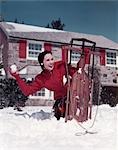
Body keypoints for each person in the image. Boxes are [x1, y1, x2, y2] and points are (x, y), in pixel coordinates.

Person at [9, 51, 78, 120]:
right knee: (61, 117)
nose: (51, 62)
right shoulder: (41, 79)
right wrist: (17, 77)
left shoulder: (60, 66)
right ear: (42, 63)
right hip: (61, 101)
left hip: (75, 96)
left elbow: (77, 73)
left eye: (52, 59)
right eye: (47, 60)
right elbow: (27, 91)